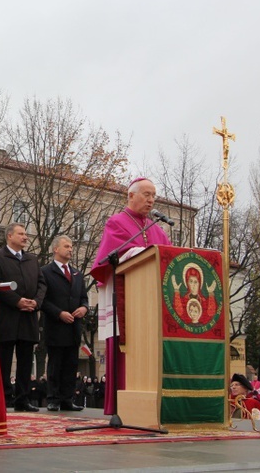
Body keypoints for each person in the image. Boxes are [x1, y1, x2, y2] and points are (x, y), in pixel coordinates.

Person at [89, 177, 171, 415]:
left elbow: (166, 257)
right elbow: (112, 256)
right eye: (146, 194)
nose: (151, 200)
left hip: (151, 304)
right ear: (131, 196)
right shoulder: (117, 222)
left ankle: (150, 407)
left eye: (153, 195)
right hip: (126, 300)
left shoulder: (156, 229)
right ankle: (122, 407)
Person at [0, 222, 47, 412]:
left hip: (29, 316)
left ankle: (23, 399)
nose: (25, 237)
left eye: (25, 234)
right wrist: (17, 301)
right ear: (9, 236)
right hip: (9, 316)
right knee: (4, 360)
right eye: (21, 234)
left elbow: (41, 284)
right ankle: (3, 399)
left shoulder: (31, 259)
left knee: (25, 361)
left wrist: (35, 302)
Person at [40, 235, 89, 412]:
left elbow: (84, 298)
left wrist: (84, 308)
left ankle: (67, 399)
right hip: (55, 326)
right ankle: (53, 398)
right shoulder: (45, 271)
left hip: (74, 327)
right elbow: (42, 300)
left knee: (71, 364)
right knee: (55, 364)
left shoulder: (77, 273)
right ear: (56, 249)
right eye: (66, 246)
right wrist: (59, 313)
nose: (70, 249)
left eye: (71, 246)